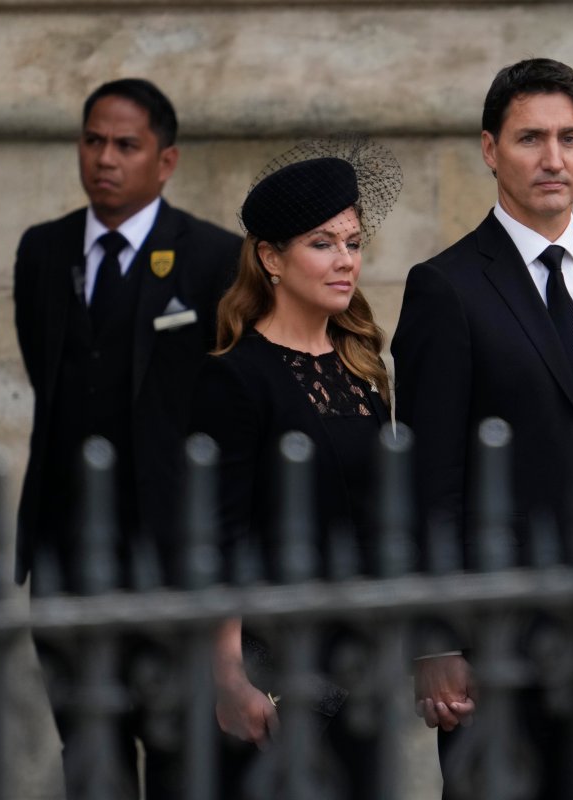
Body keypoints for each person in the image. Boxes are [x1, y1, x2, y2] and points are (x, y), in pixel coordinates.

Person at [391, 58, 573, 800]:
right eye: (530, 139)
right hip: (499, 646)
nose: (553, 159)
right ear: (490, 150)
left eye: (570, 138)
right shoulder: (445, 288)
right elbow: (428, 478)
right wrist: (437, 639)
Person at [12, 77, 241, 798]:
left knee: (183, 760)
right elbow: (46, 373)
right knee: (91, 759)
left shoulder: (212, 257)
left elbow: (221, 405)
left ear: (165, 161)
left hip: (170, 560)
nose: (104, 159)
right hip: (65, 552)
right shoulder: (43, 252)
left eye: (125, 145)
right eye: (92, 141)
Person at [189, 137, 402, 798]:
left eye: (353, 242)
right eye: (323, 243)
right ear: (271, 258)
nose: (346, 261)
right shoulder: (236, 377)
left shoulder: (364, 373)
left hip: (360, 671)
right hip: (273, 673)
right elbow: (215, 536)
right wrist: (229, 674)